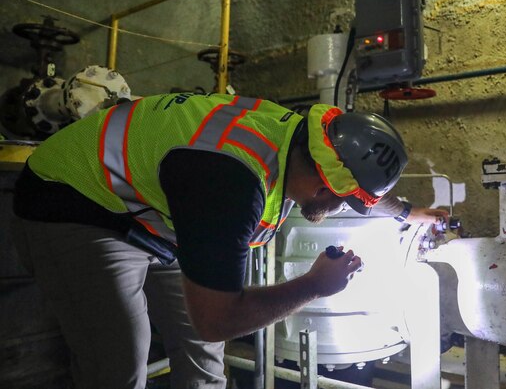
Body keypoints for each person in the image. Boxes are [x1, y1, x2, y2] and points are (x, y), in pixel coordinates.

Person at [12, 92, 447, 389]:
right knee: (119, 361)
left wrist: (410, 213)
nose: (340, 209)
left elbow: (349, 185)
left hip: (152, 213)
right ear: (321, 182)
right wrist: (316, 285)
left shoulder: (303, 137)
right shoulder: (232, 185)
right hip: (76, 199)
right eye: (343, 202)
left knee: (204, 356)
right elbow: (216, 319)